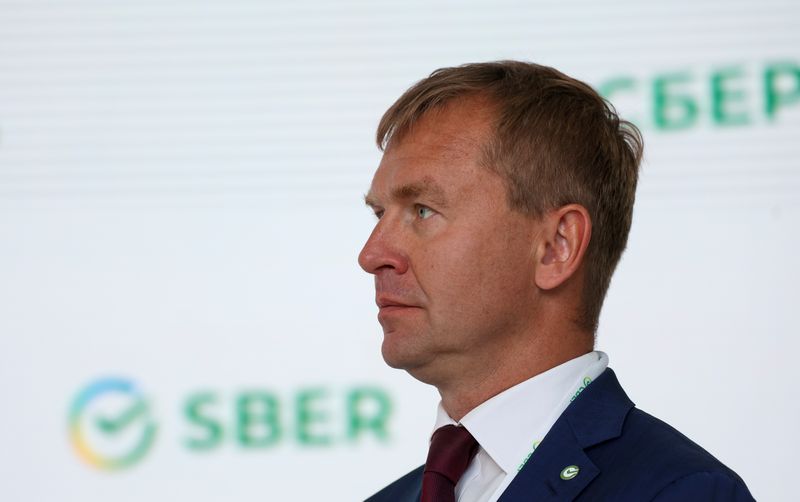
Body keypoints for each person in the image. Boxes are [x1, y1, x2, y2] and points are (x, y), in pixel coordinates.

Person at [358, 61, 754, 502]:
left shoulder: (681, 493)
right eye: (379, 214)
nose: (372, 255)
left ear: (555, 246)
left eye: (423, 210)